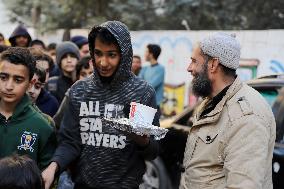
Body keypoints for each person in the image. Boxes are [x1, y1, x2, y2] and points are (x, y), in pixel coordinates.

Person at [42, 21, 160, 189]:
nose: (103, 63)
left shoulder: (141, 93)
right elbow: (69, 141)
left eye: (111, 55)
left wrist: (142, 140)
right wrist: (54, 167)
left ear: (124, 54)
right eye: (98, 53)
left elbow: (153, 152)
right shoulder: (79, 91)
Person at [180, 33, 276, 189]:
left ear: (213, 64)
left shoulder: (246, 117)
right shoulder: (213, 100)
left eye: (194, 61)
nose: (189, 68)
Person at [0, 47, 57, 170]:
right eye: (3, 77)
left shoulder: (43, 126)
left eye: (18, 80)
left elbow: (46, 176)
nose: (9, 86)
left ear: (30, 83)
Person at [139, 44, 165, 108]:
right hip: (143, 104)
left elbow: (151, 85)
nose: (145, 54)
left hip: (154, 105)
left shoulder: (161, 69)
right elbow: (137, 83)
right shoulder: (145, 68)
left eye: (146, 52)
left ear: (151, 54)